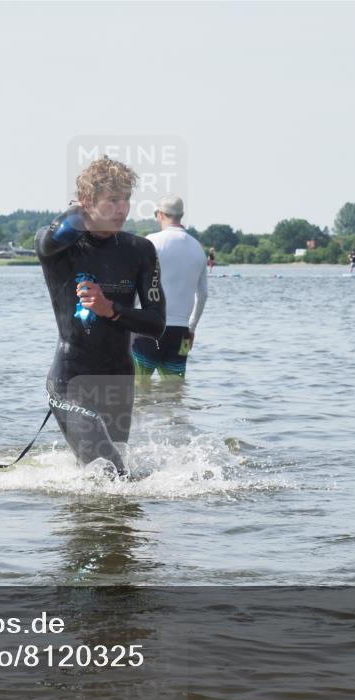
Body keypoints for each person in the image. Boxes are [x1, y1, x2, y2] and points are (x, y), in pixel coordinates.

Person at [36, 156, 166, 477]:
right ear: (87, 203)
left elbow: (156, 325)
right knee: (111, 472)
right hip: (71, 379)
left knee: (108, 477)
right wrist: (78, 211)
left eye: (126, 200)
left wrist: (111, 310)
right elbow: (47, 238)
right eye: (112, 200)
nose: (122, 209)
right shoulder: (61, 249)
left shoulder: (140, 250)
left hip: (119, 379)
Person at [133, 194, 208, 383]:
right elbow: (203, 294)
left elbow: (135, 286)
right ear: (181, 215)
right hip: (181, 333)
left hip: (148, 329)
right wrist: (191, 328)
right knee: (175, 391)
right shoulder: (197, 247)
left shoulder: (151, 242)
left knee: (138, 389)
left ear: (159, 214)